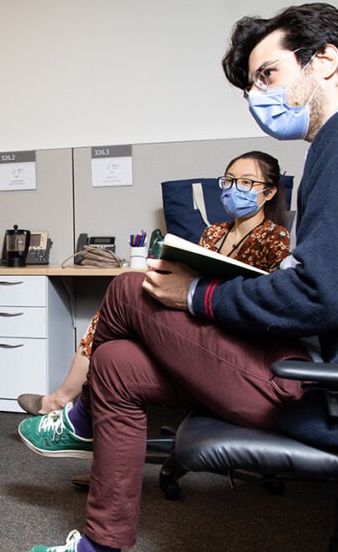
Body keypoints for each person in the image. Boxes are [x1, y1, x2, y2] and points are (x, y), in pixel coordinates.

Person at [19, 2, 338, 552]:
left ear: (326, 61)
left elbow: (323, 293)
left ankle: (78, 421)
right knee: (117, 367)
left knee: (131, 288)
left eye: (268, 75)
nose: (257, 96)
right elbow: (336, 281)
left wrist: (199, 293)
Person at [17, 150, 291, 417]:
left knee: (121, 299)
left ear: (269, 192)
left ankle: (63, 404)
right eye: (229, 180)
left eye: (245, 182)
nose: (234, 189)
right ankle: (71, 405)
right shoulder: (214, 232)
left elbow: (270, 296)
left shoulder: (275, 237)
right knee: (108, 323)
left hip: (231, 328)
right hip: (193, 313)